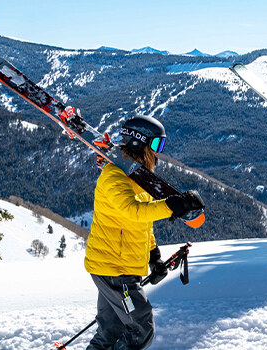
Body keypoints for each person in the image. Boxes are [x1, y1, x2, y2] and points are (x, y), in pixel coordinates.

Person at [83, 115, 204, 350]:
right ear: (140, 142)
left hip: (116, 267)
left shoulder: (137, 180)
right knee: (141, 327)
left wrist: (153, 256)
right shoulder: (113, 176)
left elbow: (142, 224)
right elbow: (134, 211)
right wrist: (172, 205)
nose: (157, 153)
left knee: (110, 331)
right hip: (114, 270)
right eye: (156, 145)